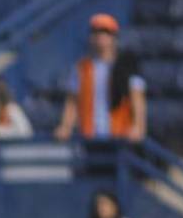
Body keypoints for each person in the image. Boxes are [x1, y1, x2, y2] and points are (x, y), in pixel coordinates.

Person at [55, 12, 145, 144]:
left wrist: (138, 126)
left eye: (105, 32)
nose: (100, 37)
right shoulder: (82, 68)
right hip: (90, 136)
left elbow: (137, 99)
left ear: (114, 37)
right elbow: (72, 101)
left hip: (120, 136)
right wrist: (66, 126)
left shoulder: (125, 65)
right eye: (96, 32)